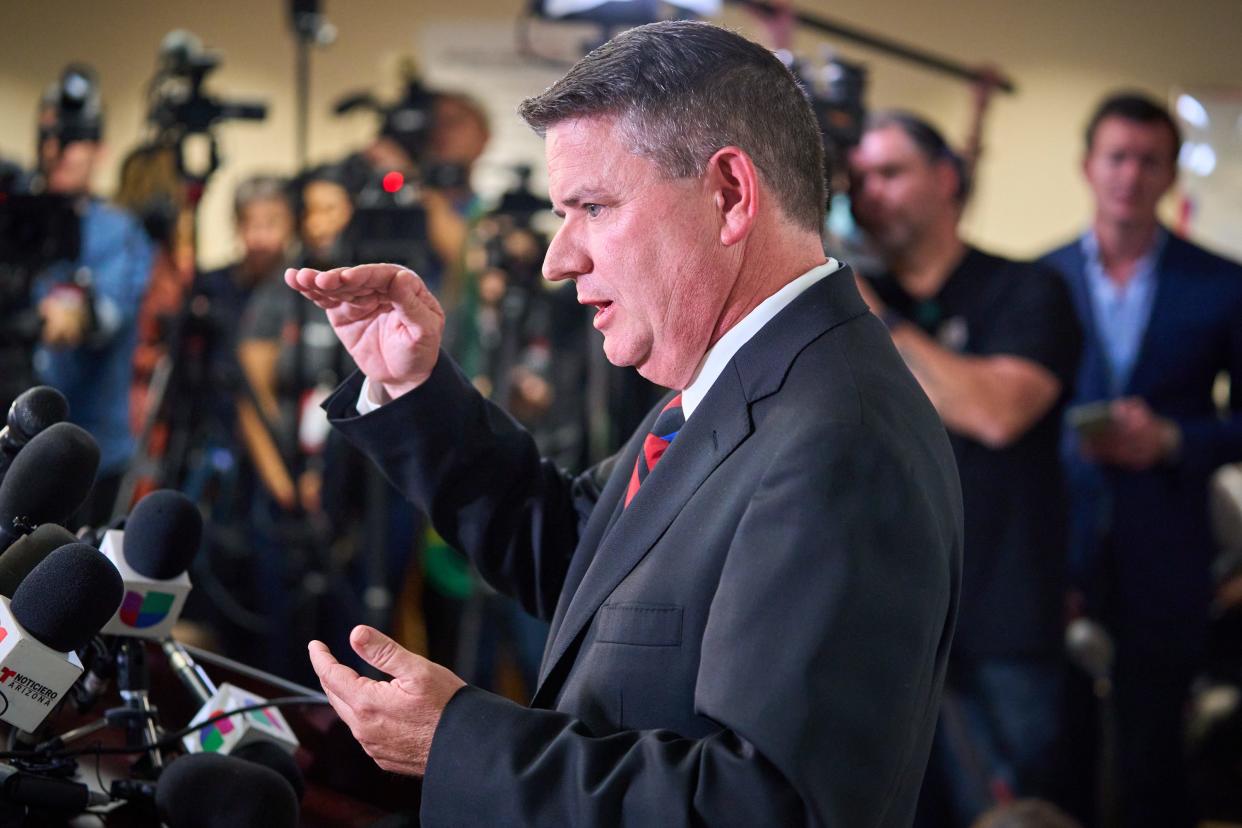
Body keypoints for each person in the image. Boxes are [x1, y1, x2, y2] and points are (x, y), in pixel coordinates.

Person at [292, 21, 963, 825]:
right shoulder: (745, 379)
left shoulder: (839, 440)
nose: (557, 258)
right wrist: (414, 387)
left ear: (729, 195)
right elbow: (581, 551)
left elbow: (764, 807)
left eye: (594, 207)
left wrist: (459, 742)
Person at [847, 112, 1082, 827]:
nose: (870, 195)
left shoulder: (1027, 291)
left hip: (1002, 622)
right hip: (883, 624)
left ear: (947, 179)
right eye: (858, 180)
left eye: (891, 173)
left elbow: (995, 412)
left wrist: (870, 313)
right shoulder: (851, 300)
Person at [1039, 92, 1242, 828]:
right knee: (1058, 755)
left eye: (1148, 160)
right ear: (1088, 167)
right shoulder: (1041, 278)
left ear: (1171, 176)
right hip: (1058, 547)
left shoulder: (1221, 283)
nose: (1130, 174)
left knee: (1155, 761)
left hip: (1170, 549)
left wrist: (1176, 440)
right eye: (1117, 157)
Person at [31, 64, 153, 526]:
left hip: (91, 449)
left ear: (99, 149)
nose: (58, 150)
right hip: (15, 443)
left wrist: (52, 315)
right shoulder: (18, 220)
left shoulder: (118, 231)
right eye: (48, 136)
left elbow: (98, 319)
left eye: (73, 138)